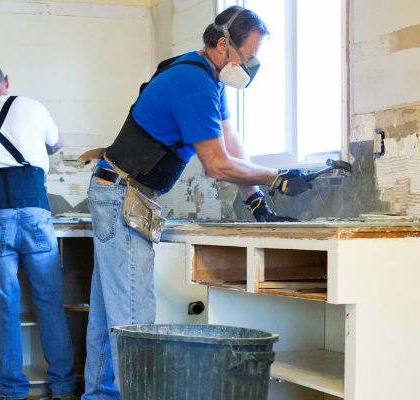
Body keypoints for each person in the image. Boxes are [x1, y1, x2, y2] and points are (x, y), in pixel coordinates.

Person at [79, 6, 313, 399]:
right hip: (123, 195)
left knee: (110, 319)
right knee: (134, 321)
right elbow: (217, 165)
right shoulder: (194, 83)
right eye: (250, 55)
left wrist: (256, 201)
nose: (253, 65)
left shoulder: (208, 79)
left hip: (116, 191)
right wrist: (276, 178)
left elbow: (232, 146)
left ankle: (99, 396)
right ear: (223, 44)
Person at [0, 62, 77, 400]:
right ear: (5, 81)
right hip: (36, 211)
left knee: (5, 305)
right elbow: (56, 144)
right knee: (49, 304)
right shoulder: (32, 106)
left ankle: (11, 391)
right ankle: (64, 388)